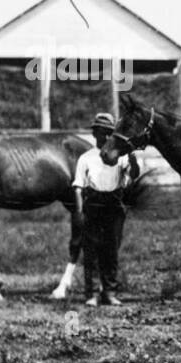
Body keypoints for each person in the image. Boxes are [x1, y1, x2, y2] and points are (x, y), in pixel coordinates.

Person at [74, 112, 139, 306]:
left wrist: (133, 159)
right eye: (100, 132)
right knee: (91, 250)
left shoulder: (121, 157)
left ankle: (109, 292)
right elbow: (78, 187)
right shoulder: (86, 158)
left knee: (111, 249)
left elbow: (133, 175)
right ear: (94, 134)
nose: (104, 137)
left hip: (114, 203)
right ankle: (92, 293)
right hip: (93, 203)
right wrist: (79, 213)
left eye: (108, 133)